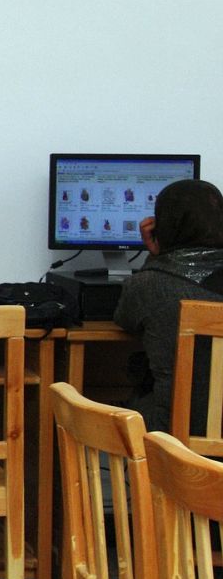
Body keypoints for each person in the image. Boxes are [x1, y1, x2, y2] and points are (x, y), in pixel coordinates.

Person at [113, 178, 223, 435]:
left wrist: (155, 254)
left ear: (163, 226)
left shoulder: (148, 285)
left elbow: (125, 318)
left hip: (175, 430)